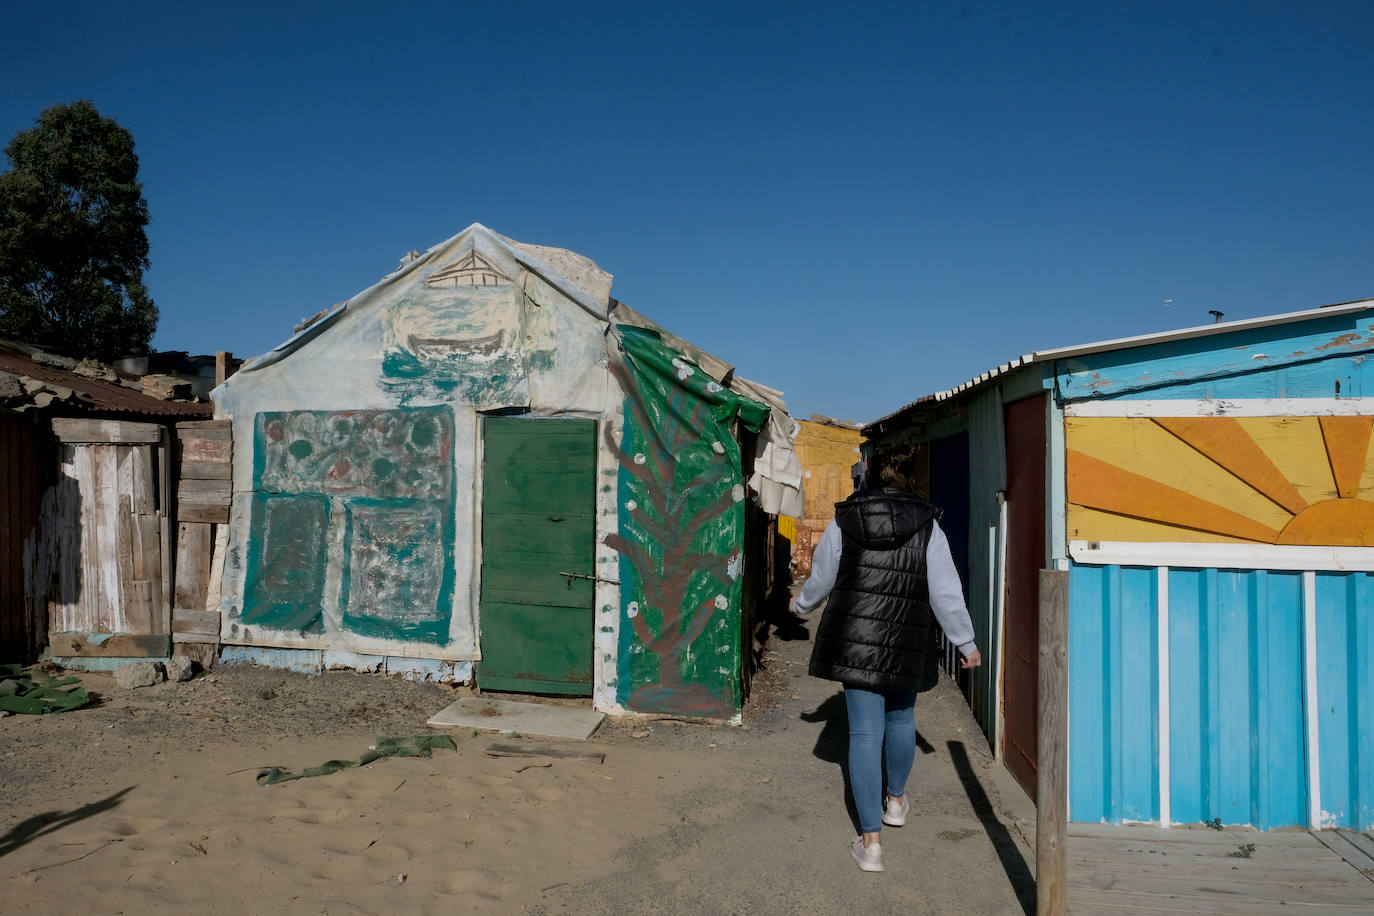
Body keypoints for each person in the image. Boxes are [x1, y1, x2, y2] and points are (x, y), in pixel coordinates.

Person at [790, 445, 981, 873]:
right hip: (906, 638)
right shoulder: (928, 524)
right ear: (911, 475)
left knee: (862, 735)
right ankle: (895, 801)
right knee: (900, 721)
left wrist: (801, 607)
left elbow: (823, 575)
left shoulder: (846, 518)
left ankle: (870, 844)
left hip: (857, 640)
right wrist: (965, 642)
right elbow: (945, 590)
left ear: (869, 473)